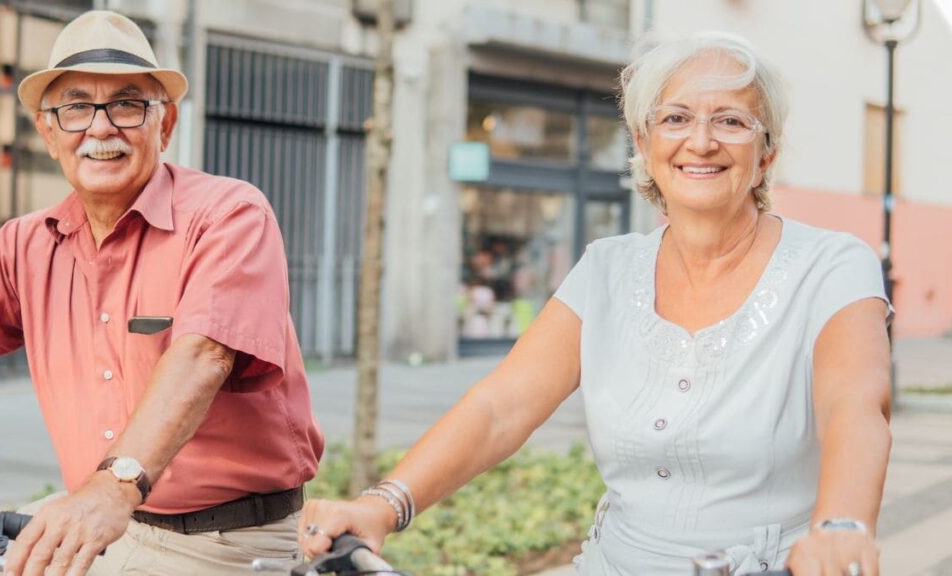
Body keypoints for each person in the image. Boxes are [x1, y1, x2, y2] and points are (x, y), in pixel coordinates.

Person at [299, 32, 892, 576]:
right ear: (644, 141)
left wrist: (841, 525)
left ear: (766, 152)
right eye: (676, 117)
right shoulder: (608, 268)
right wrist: (384, 504)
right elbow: (501, 407)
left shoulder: (834, 265)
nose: (701, 141)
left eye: (732, 121)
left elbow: (856, 407)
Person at [0, 10, 323, 576]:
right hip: (94, 526)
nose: (101, 127)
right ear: (48, 131)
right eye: (76, 107)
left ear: (164, 125)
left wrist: (114, 487)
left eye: (128, 104)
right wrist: (103, 500)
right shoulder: (23, 245)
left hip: (223, 542)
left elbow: (203, 355)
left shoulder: (228, 214)